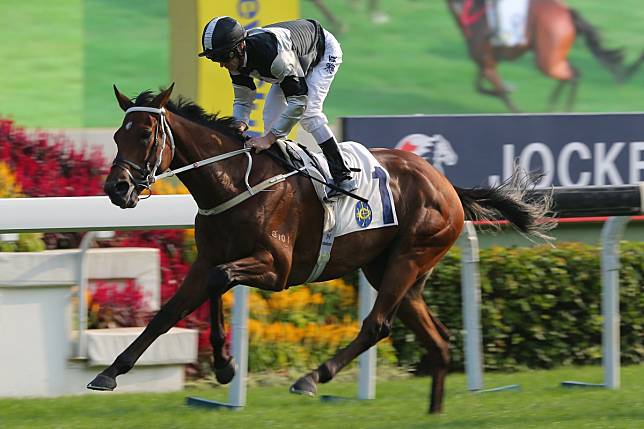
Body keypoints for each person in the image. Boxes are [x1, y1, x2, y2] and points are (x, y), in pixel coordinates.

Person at [198, 16, 358, 196]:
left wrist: (268, 139)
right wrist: (238, 125)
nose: (221, 64)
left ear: (241, 47)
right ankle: (285, 175)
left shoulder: (275, 57)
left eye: (223, 57)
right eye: (215, 58)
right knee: (271, 116)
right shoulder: (236, 58)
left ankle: (343, 176)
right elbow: (243, 101)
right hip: (294, 59)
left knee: (310, 113)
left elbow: (299, 102)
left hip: (322, 52)